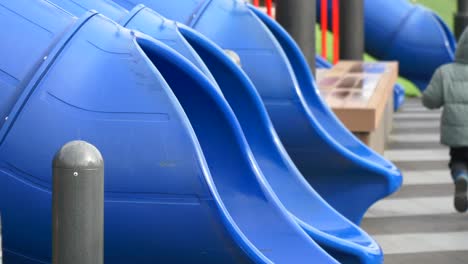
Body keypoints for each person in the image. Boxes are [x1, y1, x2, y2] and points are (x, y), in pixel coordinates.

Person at [423, 28, 468, 213]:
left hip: (456, 134)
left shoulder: (445, 72)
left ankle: (461, 176)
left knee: (458, 159)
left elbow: (430, 100)